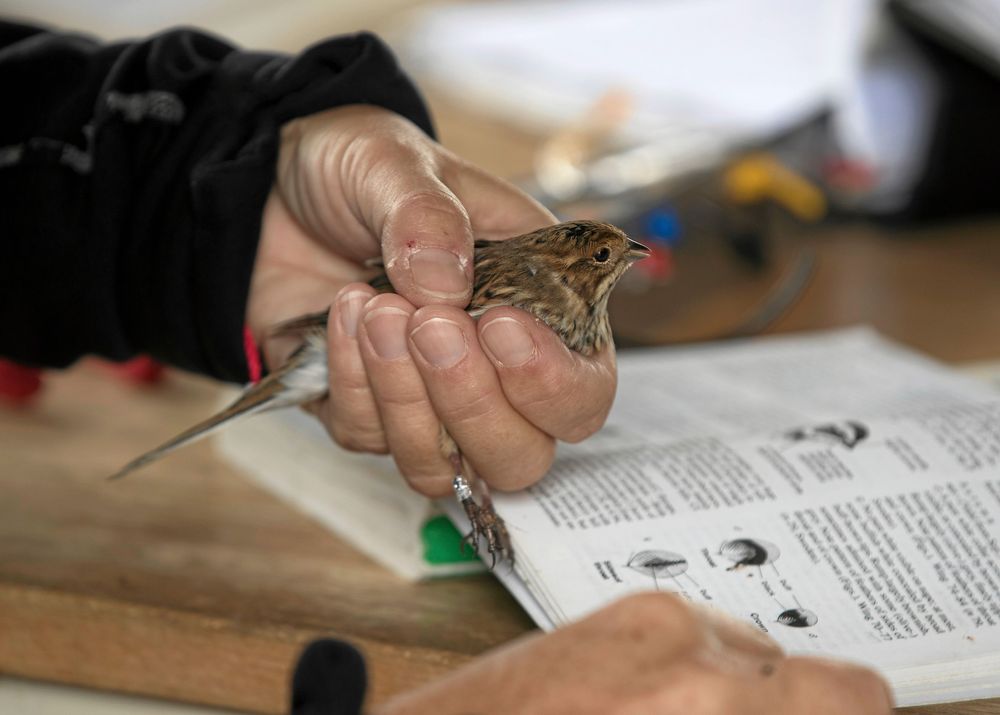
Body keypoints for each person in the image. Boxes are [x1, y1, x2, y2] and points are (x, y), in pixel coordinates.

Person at [0, 23, 892, 714]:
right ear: (578, 267)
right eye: (610, 258)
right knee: (448, 392)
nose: (621, 267)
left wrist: (240, 192)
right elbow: (400, 300)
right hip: (339, 326)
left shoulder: (554, 293)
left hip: (240, 246)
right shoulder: (524, 284)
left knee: (466, 399)